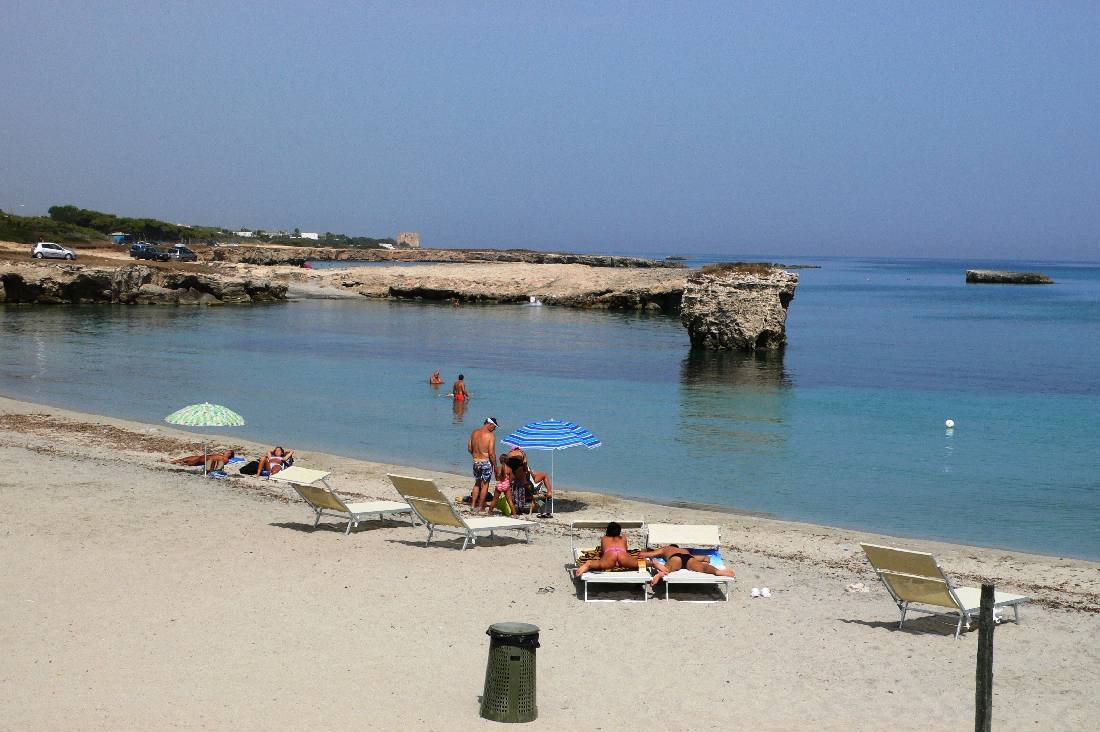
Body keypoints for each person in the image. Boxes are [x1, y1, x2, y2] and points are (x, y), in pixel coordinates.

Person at [637, 544, 736, 587]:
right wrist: (706, 561)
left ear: (671, 546)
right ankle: (718, 571)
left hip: (676, 558)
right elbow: (706, 558)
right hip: (688, 557)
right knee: (702, 567)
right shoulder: (685, 550)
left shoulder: (666, 549)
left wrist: (643, 553)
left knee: (669, 568)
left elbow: (646, 555)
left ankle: (661, 573)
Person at [573, 522, 644, 577]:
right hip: (622, 556)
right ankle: (653, 564)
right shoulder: (623, 538)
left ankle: (588, 564)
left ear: (608, 530)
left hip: (610, 556)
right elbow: (625, 550)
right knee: (640, 563)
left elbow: (603, 552)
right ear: (619, 531)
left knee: (599, 564)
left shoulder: (604, 538)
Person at [507, 450, 554, 518]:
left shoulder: (510, 473)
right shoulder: (524, 471)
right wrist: (525, 456)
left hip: (515, 504)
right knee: (537, 505)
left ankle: (544, 497)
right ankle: (546, 497)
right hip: (525, 500)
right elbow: (532, 475)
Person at [467, 417, 498, 513]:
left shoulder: (474, 432)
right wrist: (495, 465)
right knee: (485, 484)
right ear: (489, 424)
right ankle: (480, 507)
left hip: (476, 461)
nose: (494, 429)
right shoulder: (490, 435)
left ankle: (472, 505)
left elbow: (469, 447)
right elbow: (491, 452)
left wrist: (476, 455)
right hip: (485, 461)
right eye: (494, 426)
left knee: (477, 483)